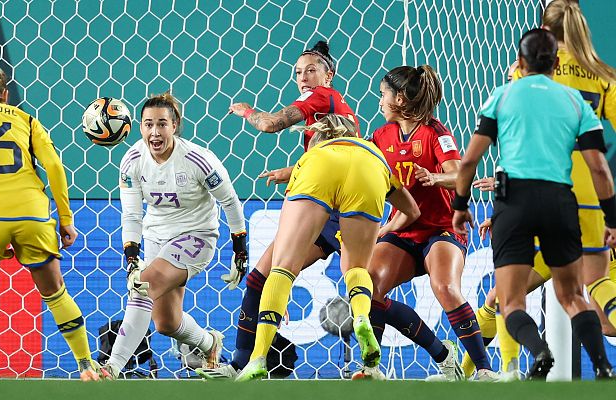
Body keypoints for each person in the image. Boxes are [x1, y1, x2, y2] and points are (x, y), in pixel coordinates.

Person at [197, 41, 442, 380]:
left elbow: (271, 125)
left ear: (329, 74)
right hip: (355, 188)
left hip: (323, 197)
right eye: (298, 72)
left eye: (311, 70)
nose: (303, 77)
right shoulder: (342, 113)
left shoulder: (321, 96)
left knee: (266, 276)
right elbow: (338, 156)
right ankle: (441, 354)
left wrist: (247, 112)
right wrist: (291, 170)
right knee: (371, 298)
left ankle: (245, 362)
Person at [461, 0, 616, 379]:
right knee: (590, 286)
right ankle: (597, 367)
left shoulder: (518, 81)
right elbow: (598, 163)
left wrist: (481, 199)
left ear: (541, 36)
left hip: (521, 193)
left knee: (505, 295)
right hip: (584, 197)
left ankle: (505, 365)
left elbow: (493, 145)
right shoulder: (601, 78)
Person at [0, 59, 99, 381]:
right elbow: (53, 166)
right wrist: (65, 219)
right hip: (31, 213)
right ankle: (87, 368)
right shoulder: (26, 119)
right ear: (6, 95)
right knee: (55, 292)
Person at [234, 114, 421, 381]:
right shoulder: (372, 153)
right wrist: (385, 230)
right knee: (356, 268)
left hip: (320, 170)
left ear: (318, 137)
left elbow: (292, 233)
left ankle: (258, 358)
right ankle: (360, 318)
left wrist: (276, 296)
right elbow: (411, 210)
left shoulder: (313, 155)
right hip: (370, 170)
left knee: (282, 268)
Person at [352, 65, 497, 382]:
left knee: (444, 286)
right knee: (371, 288)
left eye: (383, 95)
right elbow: (355, 161)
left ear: (400, 100)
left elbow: (461, 174)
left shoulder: (436, 133)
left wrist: (435, 177)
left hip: (441, 229)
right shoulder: (380, 136)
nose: (379, 101)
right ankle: (374, 368)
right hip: (402, 230)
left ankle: (485, 369)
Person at [98, 93, 248, 380]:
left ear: (175, 125)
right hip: (156, 237)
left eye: (162, 124)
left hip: (196, 236)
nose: (155, 132)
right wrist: (132, 258)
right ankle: (209, 344)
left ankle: (111, 368)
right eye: (148, 124)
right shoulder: (131, 161)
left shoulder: (198, 160)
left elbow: (230, 201)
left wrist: (239, 250)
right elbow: (131, 215)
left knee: (142, 287)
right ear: (138, 127)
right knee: (166, 322)